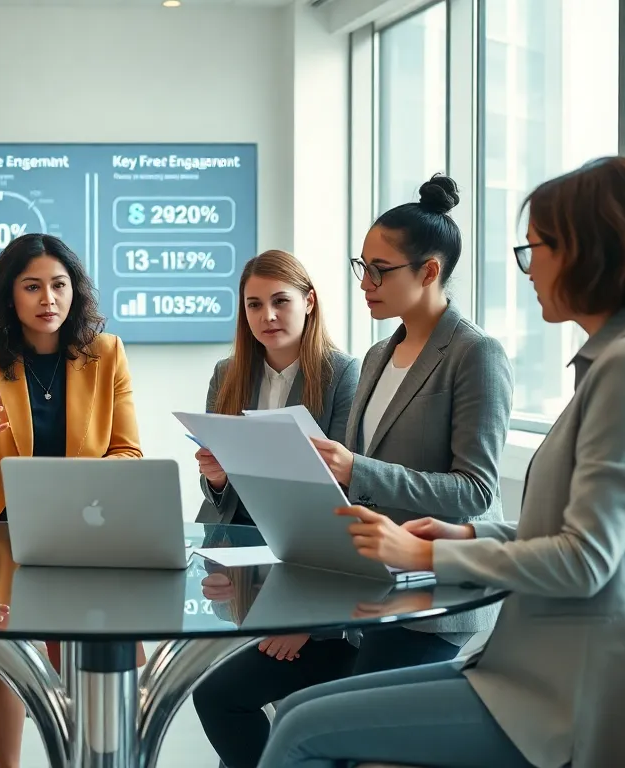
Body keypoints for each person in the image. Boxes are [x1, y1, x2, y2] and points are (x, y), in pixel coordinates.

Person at [258, 156, 625, 768]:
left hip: (584, 693)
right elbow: (577, 534)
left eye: (536, 250)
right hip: (545, 667)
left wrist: (425, 554)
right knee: (295, 716)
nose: (528, 271)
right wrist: (469, 534)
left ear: (589, 250)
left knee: (301, 730)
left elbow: (583, 561)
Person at [198, 177, 515, 768]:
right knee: (229, 698)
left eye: (379, 269)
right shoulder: (377, 356)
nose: (364, 284)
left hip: (431, 603)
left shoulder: (475, 354)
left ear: (428, 272)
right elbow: (335, 497)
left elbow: (475, 492)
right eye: (361, 267)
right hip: (365, 593)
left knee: (318, 729)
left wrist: (357, 467)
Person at [0, 232, 143, 768]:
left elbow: (128, 453)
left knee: (103, 644)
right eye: (32, 287)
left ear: (74, 292)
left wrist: (79, 494)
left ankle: (93, 757)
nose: (48, 299)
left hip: (87, 534)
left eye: (59, 285)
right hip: (1, 536)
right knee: (6, 646)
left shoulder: (106, 354)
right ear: (9, 297)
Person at [194, 249, 359, 525]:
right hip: (234, 530)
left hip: (308, 528)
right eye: (254, 305)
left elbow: (344, 479)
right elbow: (215, 492)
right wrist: (216, 478)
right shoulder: (226, 373)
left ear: (309, 302)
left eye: (280, 301)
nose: (267, 316)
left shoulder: (342, 373)